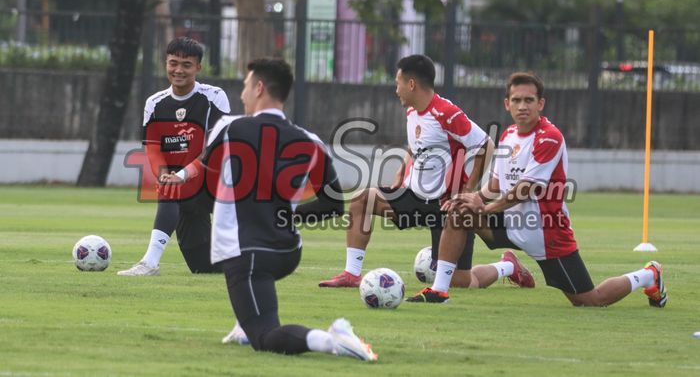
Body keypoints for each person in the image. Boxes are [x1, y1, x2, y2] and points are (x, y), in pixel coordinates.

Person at [169, 58, 377, 360]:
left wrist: (179, 180)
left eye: (245, 86)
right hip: (288, 251)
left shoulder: (229, 127)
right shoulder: (311, 141)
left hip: (246, 251)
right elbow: (334, 204)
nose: (242, 94)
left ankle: (332, 339)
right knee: (252, 296)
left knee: (265, 336)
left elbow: (203, 169)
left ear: (259, 88)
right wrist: (288, 216)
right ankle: (242, 325)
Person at [406, 72, 667, 308]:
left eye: (529, 100)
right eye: (516, 100)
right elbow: (496, 185)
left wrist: (484, 208)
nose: (522, 106)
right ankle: (439, 291)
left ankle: (649, 275)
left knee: (589, 300)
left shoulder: (549, 137)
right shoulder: (508, 135)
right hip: (510, 221)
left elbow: (525, 189)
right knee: (459, 213)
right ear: (506, 104)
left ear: (540, 104)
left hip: (546, 231)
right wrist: (472, 198)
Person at [319, 54, 533, 290]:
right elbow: (418, 143)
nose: (396, 89)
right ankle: (351, 274)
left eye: (398, 83)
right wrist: (403, 168)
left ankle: (508, 266)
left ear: (411, 84)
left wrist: (468, 189)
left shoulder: (446, 113)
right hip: (413, 196)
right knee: (361, 200)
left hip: (445, 205)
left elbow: (486, 146)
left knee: (461, 282)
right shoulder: (412, 110)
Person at [118, 37, 230, 276]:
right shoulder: (155, 103)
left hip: (218, 183)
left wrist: (182, 175)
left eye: (186, 65)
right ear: (165, 63)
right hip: (183, 188)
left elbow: (215, 148)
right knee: (205, 269)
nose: (178, 70)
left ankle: (149, 263)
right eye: (173, 63)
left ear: (198, 67)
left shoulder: (214, 97)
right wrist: (164, 174)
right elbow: (153, 147)